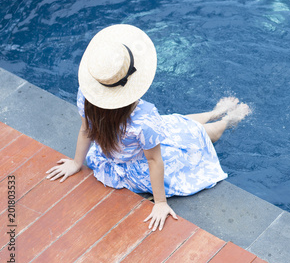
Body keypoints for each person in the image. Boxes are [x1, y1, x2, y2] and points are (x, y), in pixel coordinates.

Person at [45, 24, 250, 232]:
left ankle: (213, 113)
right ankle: (227, 120)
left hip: (111, 159)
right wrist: (160, 202)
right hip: (140, 165)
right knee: (199, 133)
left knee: (172, 122)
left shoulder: (86, 98)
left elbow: (85, 130)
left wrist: (76, 162)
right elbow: (154, 160)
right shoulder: (144, 118)